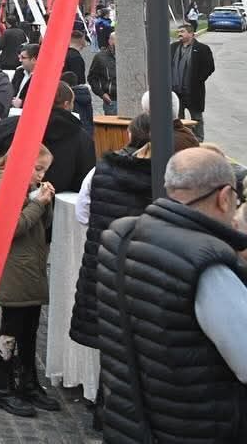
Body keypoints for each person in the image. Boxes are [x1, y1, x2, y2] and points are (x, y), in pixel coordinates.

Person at [94, 148, 247, 442]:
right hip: (195, 427)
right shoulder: (206, 263)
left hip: (129, 420)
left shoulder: (120, 235)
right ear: (224, 196)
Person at [69, 114, 198, 355]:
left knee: (112, 354)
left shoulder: (104, 170)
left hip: (105, 269)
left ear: (131, 135)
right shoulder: (172, 181)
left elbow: (82, 213)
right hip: (148, 279)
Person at [0, 144, 60, 418]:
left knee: (28, 328)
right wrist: (39, 203)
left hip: (27, 267)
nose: (40, 175)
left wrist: (41, 201)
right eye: (37, 169)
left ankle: (27, 383)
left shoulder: (20, 184)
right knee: (12, 329)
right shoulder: (1, 185)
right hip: (14, 269)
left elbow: (37, 224)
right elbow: (9, 227)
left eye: (44, 170)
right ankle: (4, 389)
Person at [0, 82, 95, 195]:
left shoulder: (10, 125)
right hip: (53, 206)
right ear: (67, 104)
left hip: (5, 199)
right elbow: (84, 182)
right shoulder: (81, 137)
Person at [169, 20, 215, 138]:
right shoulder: (172, 47)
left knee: (197, 117)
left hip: (193, 91)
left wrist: (198, 80)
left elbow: (209, 67)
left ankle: (199, 139)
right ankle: (180, 139)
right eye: (178, 31)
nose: (179, 34)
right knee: (177, 119)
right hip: (175, 92)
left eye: (182, 31)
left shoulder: (202, 49)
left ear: (191, 34)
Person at [88, 32, 118, 116]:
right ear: (110, 41)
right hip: (112, 100)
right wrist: (102, 94)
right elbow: (92, 78)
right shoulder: (100, 57)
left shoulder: (128, 55)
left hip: (129, 99)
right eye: (116, 41)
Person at [10, 44, 38, 108]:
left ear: (33, 60)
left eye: (23, 57)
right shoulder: (19, 72)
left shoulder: (42, 77)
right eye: (19, 57)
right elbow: (11, 90)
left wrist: (22, 103)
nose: (20, 60)